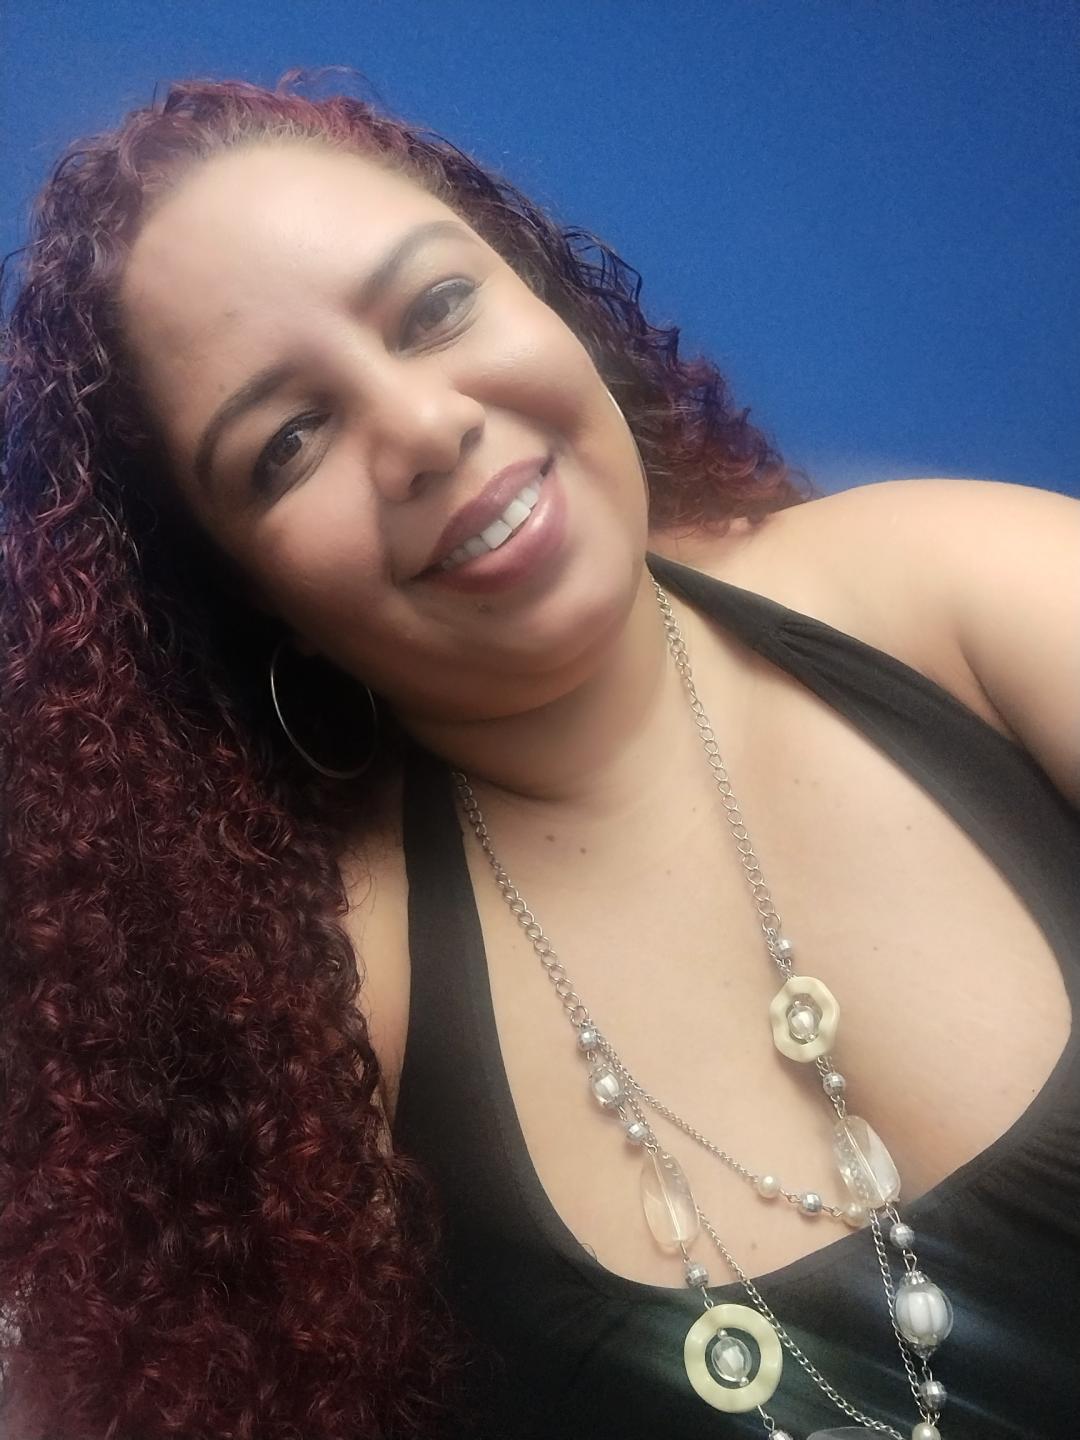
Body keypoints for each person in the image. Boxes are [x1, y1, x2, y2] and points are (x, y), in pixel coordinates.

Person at [1, 68, 1077, 1440]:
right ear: (251, 595)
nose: (424, 428)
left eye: (437, 307)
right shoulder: (329, 1032)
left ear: (544, 299)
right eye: (288, 442)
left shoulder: (967, 595)